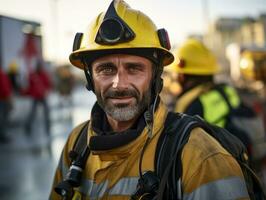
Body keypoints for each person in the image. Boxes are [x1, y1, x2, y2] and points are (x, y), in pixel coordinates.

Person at [49, 1, 250, 199]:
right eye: (106, 69)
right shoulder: (76, 144)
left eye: (134, 68)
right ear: (90, 77)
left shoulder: (200, 157)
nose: (119, 84)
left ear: (155, 76)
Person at [24, 60, 52, 137]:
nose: (39, 68)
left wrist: (47, 90)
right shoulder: (32, 75)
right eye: (38, 66)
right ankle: (28, 126)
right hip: (36, 96)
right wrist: (27, 93)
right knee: (33, 112)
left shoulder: (43, 74)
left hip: (42, 95)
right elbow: (30, 86)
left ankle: (48, 126)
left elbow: (48, 84)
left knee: (46, 111)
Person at [0, 67, 13, 143]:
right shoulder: (2, 74)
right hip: (3, 99)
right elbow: (5, 87)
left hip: (3, 98)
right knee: (4, 118)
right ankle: (2, 135)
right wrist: (9, 98)